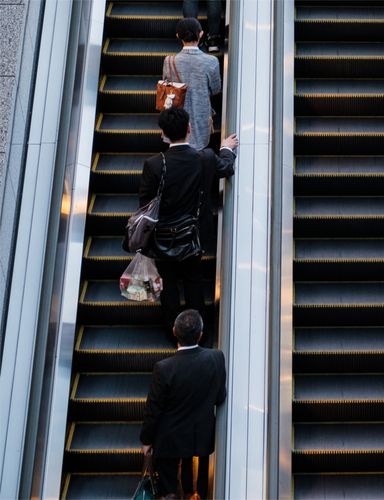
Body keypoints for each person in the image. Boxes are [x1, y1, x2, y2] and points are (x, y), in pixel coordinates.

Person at [139, 107, 237, 341]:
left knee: (168, 284)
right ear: (189, 129)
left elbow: (145, 203)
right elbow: (226, 167)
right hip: (194, 234)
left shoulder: (153, 165)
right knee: (194, 280)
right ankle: (198, 331)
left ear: (163, 133)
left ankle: (173, 331)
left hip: (161, 237)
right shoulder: (203, 158)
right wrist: (225, 149)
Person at [140, 310, 227, 500]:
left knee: (168, 489)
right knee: (201, 476)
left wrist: (147, 440)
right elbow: (220, 397)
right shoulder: (217, 358)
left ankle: (173, 494)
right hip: (202, 435)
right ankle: (198, 493)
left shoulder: (163, 368)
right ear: (201, 335)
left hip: (170, 440)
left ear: (174, 331)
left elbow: (153, 410)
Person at [167, 18, 221, 150]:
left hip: (176, 118)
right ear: (201, 34)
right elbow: (216, 89)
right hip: (201, 117)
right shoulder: (211, 61)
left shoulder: (169, 61)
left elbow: (168, 88)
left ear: (178, 36)